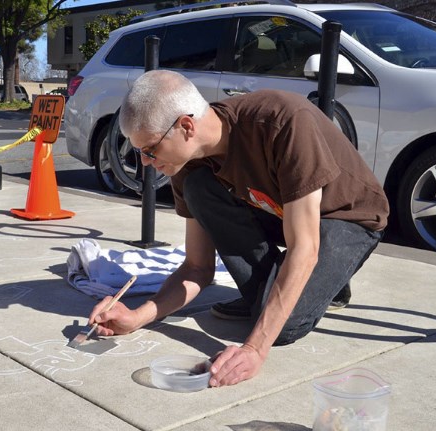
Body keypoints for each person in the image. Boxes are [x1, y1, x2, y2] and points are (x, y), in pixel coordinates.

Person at [88, 70, 389, 387]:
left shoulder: (281, 122)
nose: (145, 162)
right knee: (199, 188)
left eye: (150, 149)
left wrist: (255, 349)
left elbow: (304, 248)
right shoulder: (186, 163)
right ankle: (313, 282)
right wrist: (137, 316)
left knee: (281, 328)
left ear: (186, 126)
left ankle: (329, 275)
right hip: (280, 211)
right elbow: (196, 268)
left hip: (347, 216)